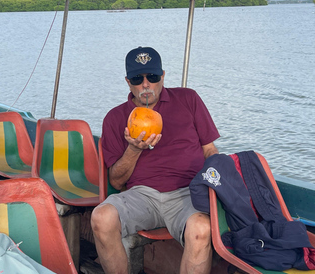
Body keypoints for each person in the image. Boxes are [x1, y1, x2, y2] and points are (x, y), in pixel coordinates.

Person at [91, 46, 220, 274]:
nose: (145, 84)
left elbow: (209, 150)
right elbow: (117, 181)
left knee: (202, 228)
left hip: (188, 192)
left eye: (151, 77)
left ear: (162, 76)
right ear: (128, 82)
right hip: (141, 195)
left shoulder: (188, 99)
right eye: (137, 79)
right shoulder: (115, 118)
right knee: (101, 218)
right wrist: (133, 149)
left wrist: (214, 183)